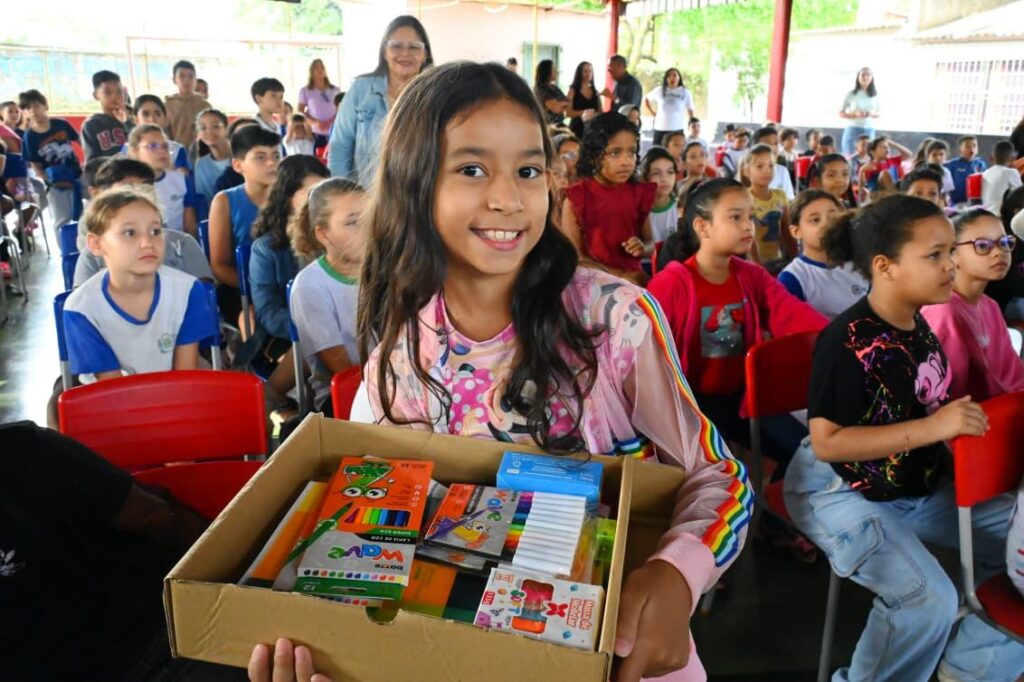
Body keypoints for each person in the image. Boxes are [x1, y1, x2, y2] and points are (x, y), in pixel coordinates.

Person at [244, 60, 754, 682]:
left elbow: (717, 473)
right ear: (413, 185)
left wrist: (677, 575)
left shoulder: (611, 318)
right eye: (471, 169)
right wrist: (339, 651)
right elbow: (377, 548)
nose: (508, 198)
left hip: (613, 650)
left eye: (529, 170)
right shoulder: (400, 358)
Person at [785, 193, 1024, 682]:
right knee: (926, 600)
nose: (949, 264)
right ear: (885, 266)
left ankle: (969, 667)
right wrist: (935, 427)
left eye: (948, 252)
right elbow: (829, 443)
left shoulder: (917, 324)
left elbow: (927, 404)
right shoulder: (847, 339)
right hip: (840, 489)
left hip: (912, 483)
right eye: (935, 255)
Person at [0, 421, 249, 682]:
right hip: (155, 643)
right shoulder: (25, 452)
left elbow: (153, 517)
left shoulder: (23, 453)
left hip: (159, 648)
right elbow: (153, 517)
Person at [647, 178, 825, 485]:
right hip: (690, 407)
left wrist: (845, 339)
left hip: (742, 399)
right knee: (716, 479)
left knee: (808, 454)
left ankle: (779, 512)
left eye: (750, 217)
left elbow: (793, 315)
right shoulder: (672, 283)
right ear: (702, 227)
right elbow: (646, 357)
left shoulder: (751, 276)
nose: (748, 226)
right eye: (735, 217)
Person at [64, 186, 211, 382]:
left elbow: (184, 377)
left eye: (155, 230)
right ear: (96, 244)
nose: (147, 242)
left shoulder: (188, 291)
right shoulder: (81, 308)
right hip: (110, 404)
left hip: (175, 397)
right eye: (130, 232)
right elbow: (112, 390)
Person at [242, 155, 328, 393]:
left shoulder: (334, 236)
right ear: (288, 197)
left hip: (334, 327)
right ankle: (270, 401)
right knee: (317, 342)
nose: (319, 199)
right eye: (311, 191)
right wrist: (314, 325)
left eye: (323, 189)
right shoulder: (266, 249)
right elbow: (268, 314)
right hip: (283, 335)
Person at [921, 208, 1024, 402]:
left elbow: (1012, 373)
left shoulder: (989, 306)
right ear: (952, 254)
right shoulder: (944, 311)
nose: (998, 253)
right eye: (983, 246)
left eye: (1004, 243)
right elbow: (948, 398)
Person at [289, 177, 365, 416]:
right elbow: (341, 370)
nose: (367, 230)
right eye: (353, 222)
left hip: (394, 390)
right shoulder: (310, 285)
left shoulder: (387, 270)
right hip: (342, 399)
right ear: (323, 235)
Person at [328, 15, 433, 186]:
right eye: (396, 46)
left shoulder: (436, 95)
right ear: (385, 51)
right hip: (366, 200)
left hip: (417, 202)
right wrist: (344, 198)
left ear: (425, 54)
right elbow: (340, 148)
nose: (405, 53)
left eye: (414, 47)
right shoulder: (361, 90)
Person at [73, 157, 211, 286]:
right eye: (127, 190)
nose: (138, 197)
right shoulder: (92, 257)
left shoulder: (182, 245)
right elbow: (84, 303)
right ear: (101, 196)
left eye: (145, 189)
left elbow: (204, 298)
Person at [561, 111, 655, 285]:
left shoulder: (638, 193)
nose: (626, 161)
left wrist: (642, 247)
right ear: (594, 155)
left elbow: (650, 244)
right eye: (615, 153)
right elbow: (576, 260)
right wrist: (621, 276)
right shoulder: (577, 198)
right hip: (591, 288)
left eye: (631, 153)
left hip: (634, 285)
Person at [208, 126, 281, 326]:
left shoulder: (290, 199)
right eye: (260, 157)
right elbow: (219, 265)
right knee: (255, 321)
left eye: (276, 155)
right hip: (240, 288)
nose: (271, 163)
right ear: (238, 165)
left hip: (284, 285)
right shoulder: (224, 201)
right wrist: (259, 289)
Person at [778, 189, 867, 318]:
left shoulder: (859, 262)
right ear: (796, 231)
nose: (826, 224)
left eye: (833, 217)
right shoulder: (793, 278)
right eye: (815, 220)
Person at [19, 88, 83, 228]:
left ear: (45, 106)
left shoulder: (61, 124)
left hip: (76, 175)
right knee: (62, 219)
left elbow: (80, 141)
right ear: (25, 113)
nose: (33, 111)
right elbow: (35, 165)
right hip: (55, 183)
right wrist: (49, 182)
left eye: (36, 106)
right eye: (28, 108)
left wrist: (86, 162)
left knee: (83, 215)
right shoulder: (29, 137)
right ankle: (65, 249)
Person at [127, 124, 198, 236]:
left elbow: (190, 226)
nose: (161, 151)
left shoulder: (181, 181)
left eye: (165, 146)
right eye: (152, 146)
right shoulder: (128, 186)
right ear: (135, 152)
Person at [742, 144, 794, 262]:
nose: (766, 170)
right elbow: (747, 236)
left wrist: (793, 258)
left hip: (777, 261)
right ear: (747, 170)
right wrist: (758, 265)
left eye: (771, 166)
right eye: (760, 166)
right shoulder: (744, 198)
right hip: (752, 264)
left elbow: (787, 232)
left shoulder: (780, 196)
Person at [81, 70, 131, 162]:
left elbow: (142, 142)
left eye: (119, 91)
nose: (115, 96)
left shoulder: (133, 118)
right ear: (96, 95)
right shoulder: (92, 125)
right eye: (107, 92)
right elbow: (92, 162)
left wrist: (127, 122)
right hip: (110, 174)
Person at [131, 95, 190, 172]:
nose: (152, 119)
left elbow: (182, 180)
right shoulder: (127, 150)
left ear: (165, 119)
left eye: (157, 114)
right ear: (136, 120)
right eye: (145, 114)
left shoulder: (177, 150)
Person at [164, 60, 210, 148]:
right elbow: (164, 133)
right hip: (175, 153)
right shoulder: (167, 106)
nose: (187, 80)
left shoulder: (205, 106)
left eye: (191, 76)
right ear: (174, 80)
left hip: (200, 152)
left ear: (195, 80)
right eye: (182, 76)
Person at [297, 59, 341, 148]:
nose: (320, 70)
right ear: (311, 72)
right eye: (316, 68)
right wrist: (315, 122)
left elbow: (341, 108)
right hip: (314, 133)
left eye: (322, 67)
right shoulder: (305, 91)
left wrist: (333, 120)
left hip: (334, 131)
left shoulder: (335, 90)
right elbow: (300, 111)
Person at [640, 146, 679, 245]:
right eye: (656, 173)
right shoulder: (637, 210)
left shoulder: (680, 208)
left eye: (670, 172)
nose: (665, 179)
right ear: (645, 177)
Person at [644, 68, 694, 147]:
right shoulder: (660, 90)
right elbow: (646, 99)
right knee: (657, 153)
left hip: (677, 129)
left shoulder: (685, 92)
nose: (672, 78)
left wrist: (691, 123)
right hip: (660, 128)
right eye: (669, 76)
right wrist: (653, 112)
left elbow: (690, 110)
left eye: (674, 75)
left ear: (679, 78)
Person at [839, 67, 880, 156]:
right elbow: (841, 113)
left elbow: (878, 113)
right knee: (850, 156)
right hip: (853, 129)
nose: (865, 77)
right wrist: (854, 114)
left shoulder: (875, 95)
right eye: (863, 75)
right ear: (858, 77)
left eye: (868, 75)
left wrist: (871, 113)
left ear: (872, 78)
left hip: (869, 129)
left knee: (869, 156)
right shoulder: (851, 94)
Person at [857, 136, 912, 203]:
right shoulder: (867, 167)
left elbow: (908, 154)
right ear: (872, 151)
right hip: (876, 196)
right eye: (883, 147)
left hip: (895, 191)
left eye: (888, 147)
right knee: (884, 173)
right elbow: (861, 189)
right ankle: (895, 197)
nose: (887, 149)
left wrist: (893, 144)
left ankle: (895, 196)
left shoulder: (892, 161)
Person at [194, 109, 231, 207]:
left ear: (226, 128)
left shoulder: (241, 157)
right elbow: (204, 198)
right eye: (203, 128)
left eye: (215, 126)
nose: (209, 131)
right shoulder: (201, 165)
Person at [752, 126, 795, 200]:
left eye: (776, 143)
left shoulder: (782, 171)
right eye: (769, 144)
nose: (774, 148)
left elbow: (789, 200)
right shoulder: (747, 170)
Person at [945, 135, 987, 206]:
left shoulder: (981, 164)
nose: (972, 149)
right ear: (960, 149)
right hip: (956, 203)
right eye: (967, 146)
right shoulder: (951, 165)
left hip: (976, 203)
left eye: (974, 146)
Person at [982, 140, 1022, 213]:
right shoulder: (1011, 172)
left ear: (991, 157)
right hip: (1002, 216)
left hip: (987, 214)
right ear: (1012, 158)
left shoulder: (985, 173)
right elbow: (1020, 195)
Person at [565, 61, 600, 139]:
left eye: (590, 71)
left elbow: (600, 111)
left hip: (592, 129)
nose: (588, 73)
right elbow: (567, 112)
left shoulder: (595, 91)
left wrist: (594, 115)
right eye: (585, 71)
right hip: (577, 128)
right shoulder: (572, 90)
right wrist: (584, 113)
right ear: (579, 73)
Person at [533, 59, 568, 126]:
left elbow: (567, 103)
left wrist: (562, 104)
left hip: (558, 123)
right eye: (554, 70)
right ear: (547, 72)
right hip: (549, 126)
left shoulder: (553, 87)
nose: (557, 72)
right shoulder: (542, 89)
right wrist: (564, 104)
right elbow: (556, 108)